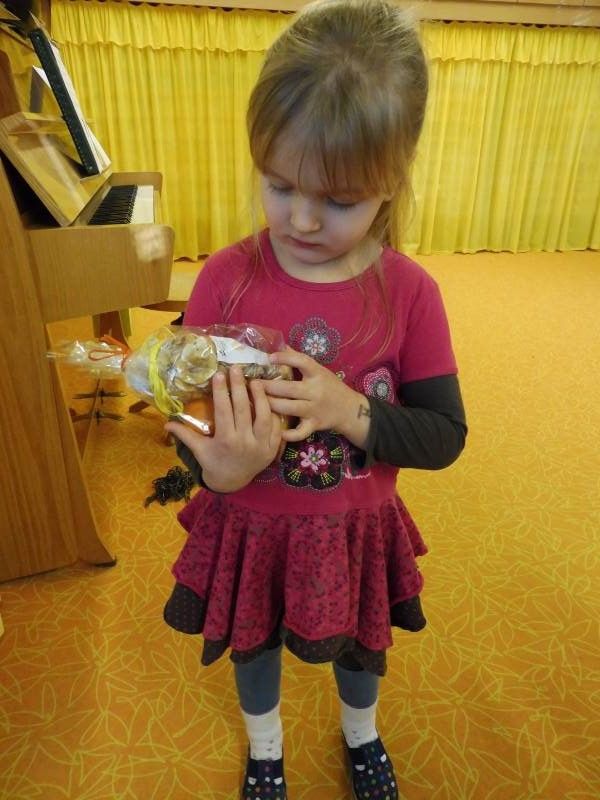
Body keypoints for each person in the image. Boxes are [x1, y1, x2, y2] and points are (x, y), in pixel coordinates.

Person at [163, 0, 467, 797]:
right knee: (253, 644)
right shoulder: (224, 277)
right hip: (250, 526)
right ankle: (265, 749)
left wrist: (346, 410)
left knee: (361, 650)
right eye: (278, 185)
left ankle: (361, 733)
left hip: (353, 531)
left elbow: (443, 435)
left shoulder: (410, 293)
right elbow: (183, 416)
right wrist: (216, 470)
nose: (299, 218)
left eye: (338, 199)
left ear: (391, 181)